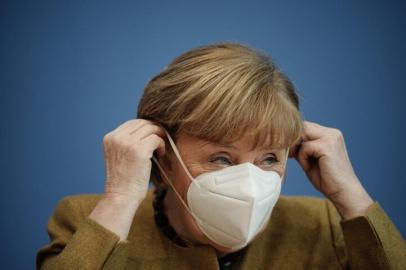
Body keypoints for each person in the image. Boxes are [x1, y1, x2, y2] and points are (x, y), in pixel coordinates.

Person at [36, 42, 406, 270]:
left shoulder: (323, 226)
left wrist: (352, 197)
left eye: (269, 159)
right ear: (163, 157)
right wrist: (119, 201)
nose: (249, 184)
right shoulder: (86, 220)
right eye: (222, 159)